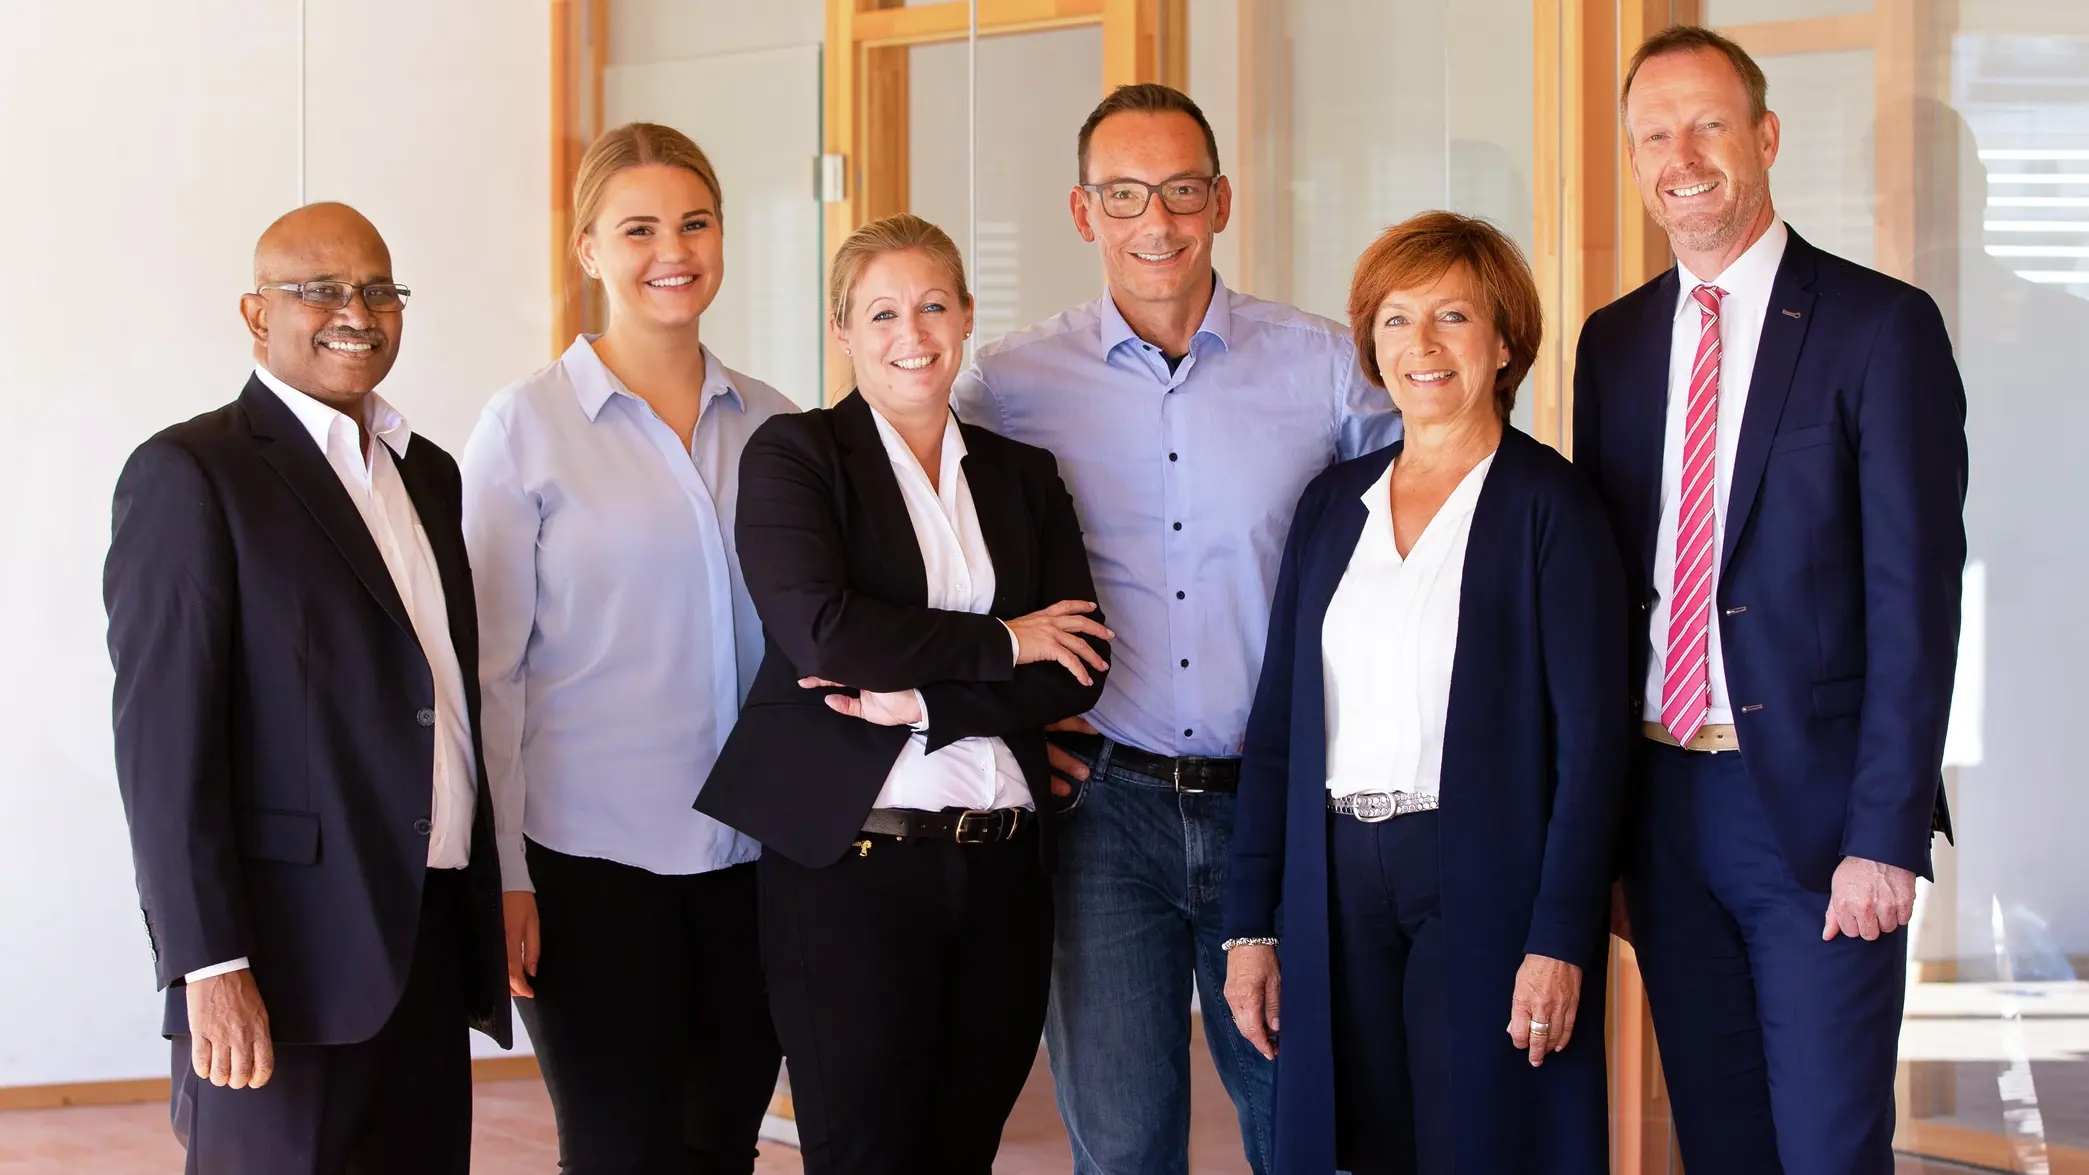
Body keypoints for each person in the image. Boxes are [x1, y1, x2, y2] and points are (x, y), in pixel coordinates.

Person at [952, 83, 1399, 1175]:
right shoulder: (1006, 384)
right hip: (1101, 809)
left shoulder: (1326, 368)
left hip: (1276, 807)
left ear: (1222, 201)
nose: (1156, 220)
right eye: (1124, 193)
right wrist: (1011, 721)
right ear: (1081, 211)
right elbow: (938, 562)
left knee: (1305, 1130)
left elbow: (1426, 539)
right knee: (1122, 1145)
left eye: (1182, 190)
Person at [1574, 27, 1967, 1175]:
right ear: (1633, 159)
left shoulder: (1878, 326)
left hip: (1814, 819)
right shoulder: (1613, 343)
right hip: (1661, 808)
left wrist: (1884, 834)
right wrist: (1602, 832)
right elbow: (1607, 597)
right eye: (1655, 135)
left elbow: (1915, 603)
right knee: (1721, 1141)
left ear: (1766, 137)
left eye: (1707, 125)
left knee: (1828, 1149)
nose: (1682, 158)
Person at [695, 213, 1112, 1175]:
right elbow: (825, 633)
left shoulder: (1022, 475)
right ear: (842, 330)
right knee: (864, 1154)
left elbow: (1077, 663)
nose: (910, 333)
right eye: (880, 313)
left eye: (931, 306)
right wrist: (1004, 640)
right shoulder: (795, 455)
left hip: (1004, 867)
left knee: (962, 1152)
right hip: (852, 869)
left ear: (965, 314)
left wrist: (925, 702)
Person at [104, 202, 511, 1174]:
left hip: (425, 943)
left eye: (378, 289)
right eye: (320, 290)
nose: (356, 312)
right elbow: (163, 749)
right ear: (257, 314)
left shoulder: (428, 475)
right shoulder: (192, 473)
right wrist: (209, 963)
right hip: (281, 963)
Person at [1221, 212, 1628, 1175]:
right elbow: (1277, 730)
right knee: (1359, 1147)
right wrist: (1250, 924)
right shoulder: (1332, 504)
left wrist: (1560, 937)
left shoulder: (1552, 507)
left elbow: (1592, 750)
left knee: (1481, 1142)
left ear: (1504, 342)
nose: (1422, 345)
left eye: (1453, 316)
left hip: (1481, 874)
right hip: (1333, 879)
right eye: (1396, 320)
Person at [460, 123, 789, 1174]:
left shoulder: (778, 427)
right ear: (588, 248)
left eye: (695, 223)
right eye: (638, 228)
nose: (672, 250)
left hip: (754, 863)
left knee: (722, 1147)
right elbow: (489, 677)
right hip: (588, 865)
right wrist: (503, 873)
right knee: (618, 1153)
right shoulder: (524, 427)